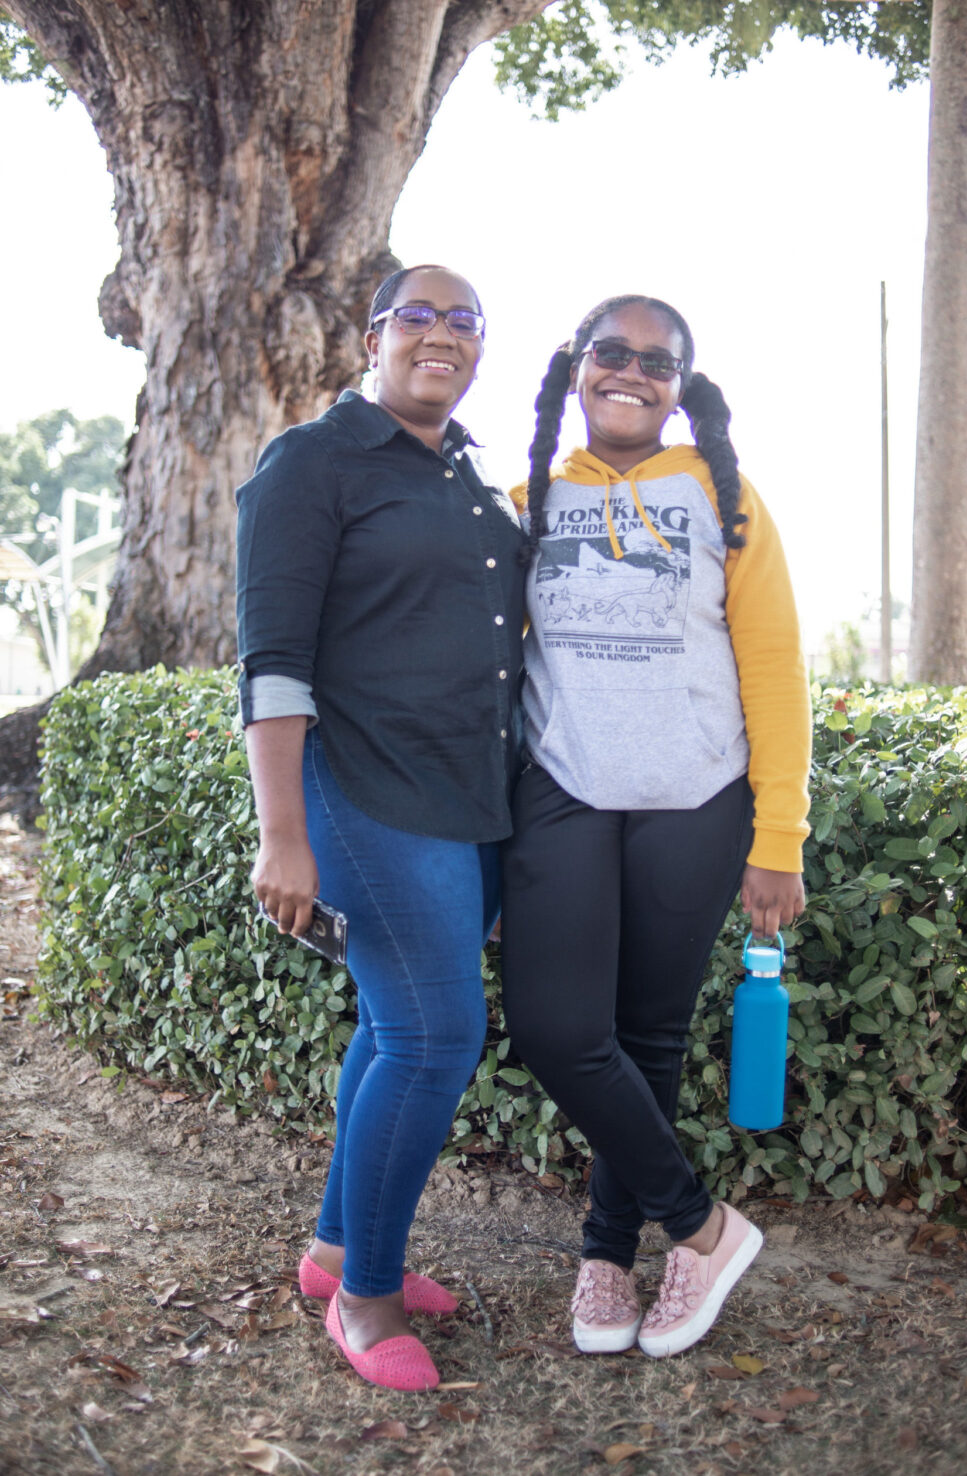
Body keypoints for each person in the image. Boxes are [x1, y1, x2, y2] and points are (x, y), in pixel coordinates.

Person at [501, 294, 811, 1359]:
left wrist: (779, 838)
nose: (630, 372)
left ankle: (605, 1256)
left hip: (697, 796)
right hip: (564, 789)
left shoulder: (722, 499)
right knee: (555, 1028)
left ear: (680, 386)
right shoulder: (526, 500)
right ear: (574, 367)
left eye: (655, 361)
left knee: (647, 1038)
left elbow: (772, 668)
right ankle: (702, 1228)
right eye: (610, 352)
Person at [235, 265, 524, 1392]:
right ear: (372, 338)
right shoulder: (311, 462)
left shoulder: (466, 471)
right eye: (418, 316)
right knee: (435, 1036)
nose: (441, 334)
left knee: (392, 1023)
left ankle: (331, 1250)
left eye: (464, 321)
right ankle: (366, 1296)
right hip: (364, 792)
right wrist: (283, 834)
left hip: (468, 796)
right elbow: (272, 661)